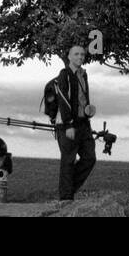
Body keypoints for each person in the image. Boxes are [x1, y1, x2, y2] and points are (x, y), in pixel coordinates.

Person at [49, 43, 97, 201]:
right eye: (76, 54)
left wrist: (88, 109)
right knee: (68, 162)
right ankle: (66, 198)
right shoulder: (64, 74)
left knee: (90, 158)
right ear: (69, 57)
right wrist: (69, 125)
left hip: (84, 124)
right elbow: (63, 101)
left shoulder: (83, 75)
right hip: (67, 125)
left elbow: (82, 98)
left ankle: (67, 190)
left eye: (82, 55)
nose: (80, 57)